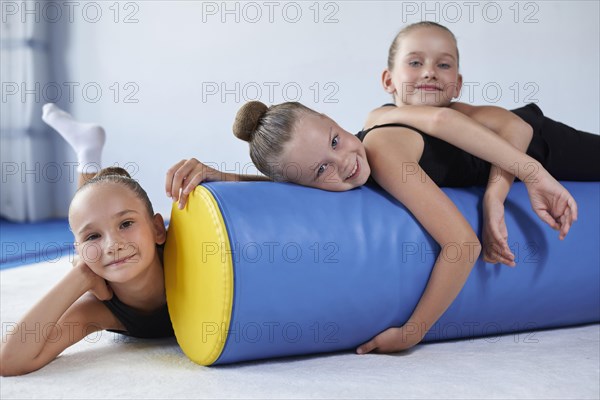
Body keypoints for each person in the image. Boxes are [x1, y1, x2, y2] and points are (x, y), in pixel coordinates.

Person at [165, 99, 579, 355]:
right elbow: (286, 188)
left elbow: (463, 244)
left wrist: (412, 332)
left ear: (334, 120)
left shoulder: (380, 150)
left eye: (334, 140)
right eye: (322, 169)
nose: (343, 161)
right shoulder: (342, 165)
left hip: (543, 144)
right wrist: (228, 179)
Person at [371, 21, 599, 266]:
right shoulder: (382, 124)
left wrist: (494, 197)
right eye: (415, 62)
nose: (430, 72)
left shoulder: (456, 112)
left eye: (444, 64)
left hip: (546, 144)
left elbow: (518, 128)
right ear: (388, 80)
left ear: (457, 84)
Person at [0, 104, 173, 377]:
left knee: (96, 213)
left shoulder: (183, 249)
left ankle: (88, 153)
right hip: (93, 268)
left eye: (126, 224)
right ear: (78, 253)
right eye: (92, 238)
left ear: (157, 229)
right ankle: (87, 153)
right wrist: (80, 275)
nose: (113, 244)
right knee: (93, 214)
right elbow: (8, 361)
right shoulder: (100, 310)